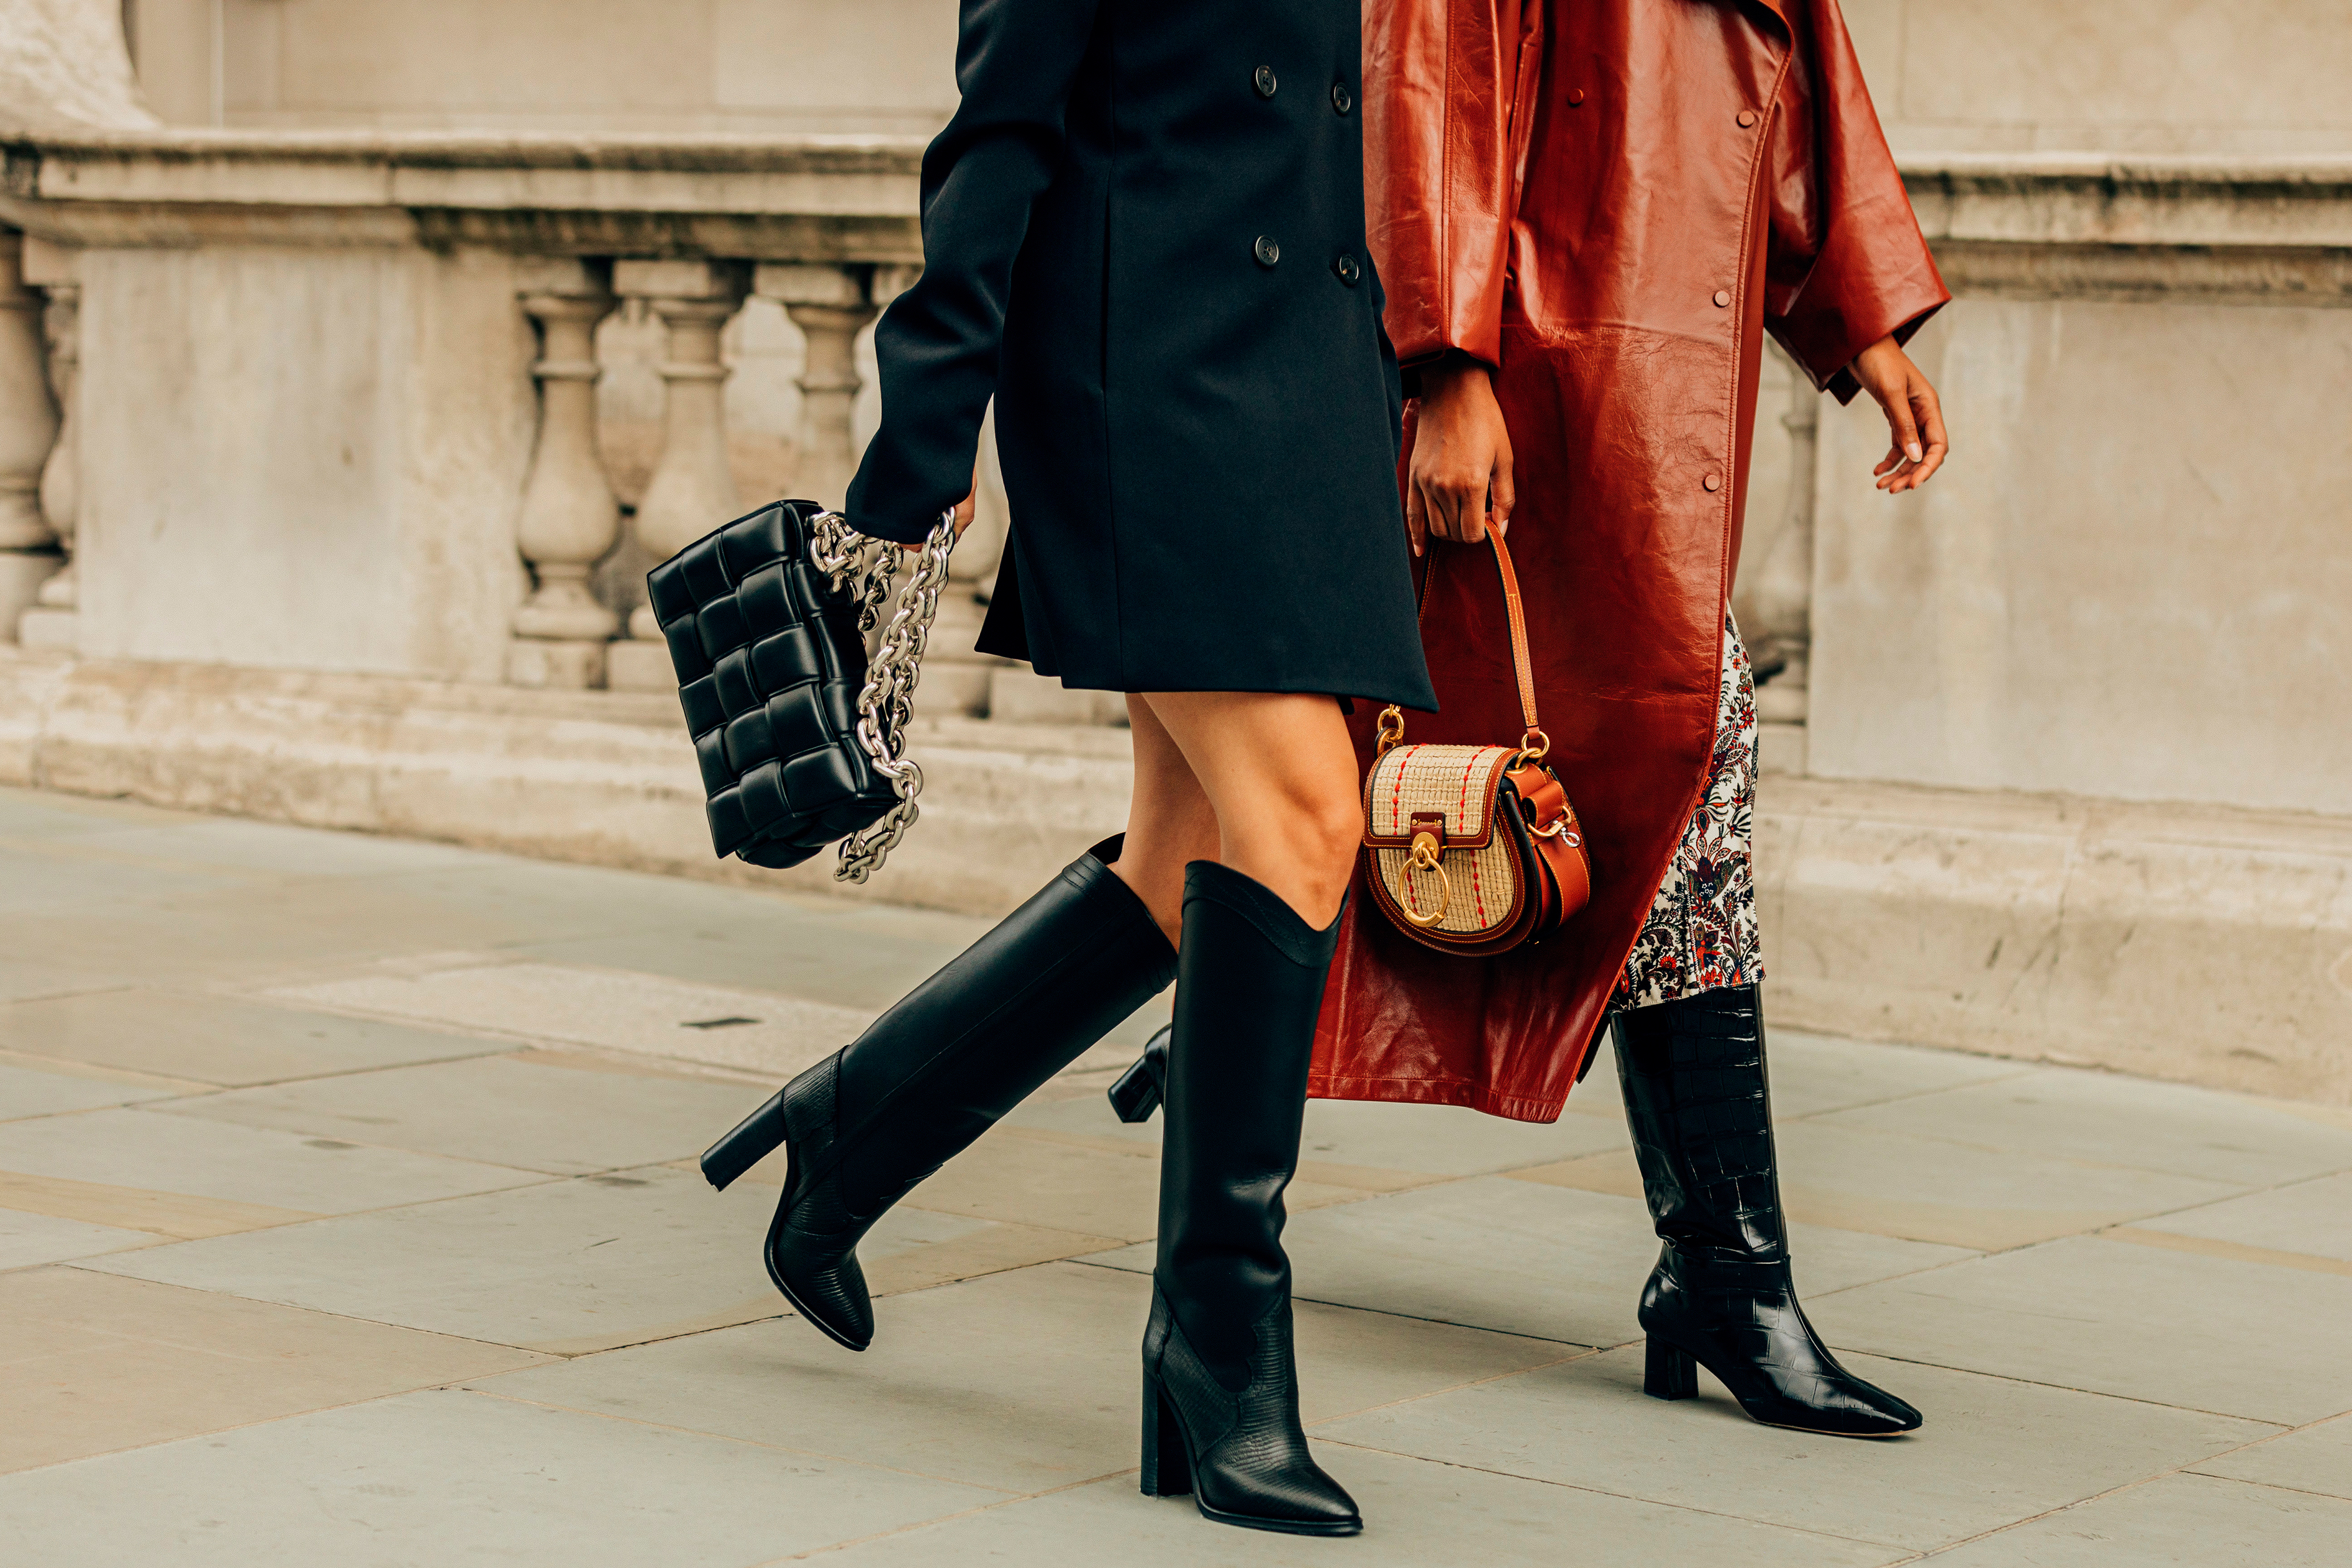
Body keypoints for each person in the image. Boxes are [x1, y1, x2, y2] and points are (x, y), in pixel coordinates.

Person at [697, 0, 1433, 1538]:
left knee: (1186, 857)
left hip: (1312, 374)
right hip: (1148, 378)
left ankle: (855, 1126)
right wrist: (922, 443)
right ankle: (1219, 1339)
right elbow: (998, 134)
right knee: (1305, 815)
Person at [1330, 0, 1952, 1438]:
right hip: (1537, 375)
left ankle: (1722, 1275)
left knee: (1668, 791)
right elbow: (1429, 81)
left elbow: (1796, 75)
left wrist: (1864, 325)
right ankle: (1729, 1279)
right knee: (1650, 770)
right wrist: (1447, 363)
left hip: (1643, 374)